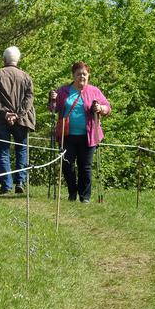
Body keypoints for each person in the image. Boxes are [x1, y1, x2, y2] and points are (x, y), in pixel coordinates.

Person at [49, 61, 111, 203]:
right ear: (73, 75)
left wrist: (100, 108)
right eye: (78, 74)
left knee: (85, 167)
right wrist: (52, 99)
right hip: (67, 135)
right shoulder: (63, 91)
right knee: (67, 165)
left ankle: (85, 198)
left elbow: (107, 107)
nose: (81, 76)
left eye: (84, 74)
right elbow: (54, 109)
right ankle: (72, 193)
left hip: (89, 135)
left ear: (88, 75)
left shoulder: (94, 91)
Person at [0, 46, 36, 194]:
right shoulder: (26, 77)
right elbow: (29, 99)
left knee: (2, 151)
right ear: (18, 60)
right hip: (22, 120)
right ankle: (20, 181)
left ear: (4, 59)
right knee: (21, 149)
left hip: (1, 120)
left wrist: (5, 113)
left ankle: (6, 185)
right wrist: (18, 114)